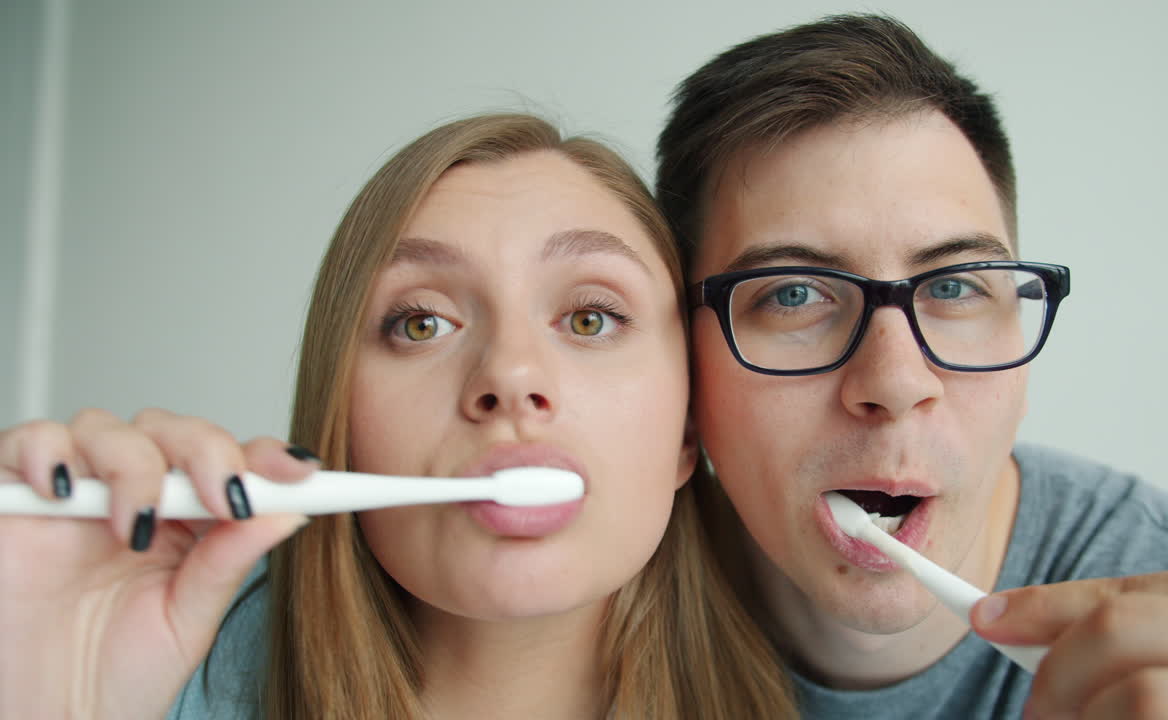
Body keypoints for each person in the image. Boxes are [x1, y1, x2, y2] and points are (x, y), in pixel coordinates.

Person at [0, 113, 797, 719]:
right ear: (340, 416)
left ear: (688, 430)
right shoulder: (156, 685)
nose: (509, 377)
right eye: (421, 323)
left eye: (589, 317)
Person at [657, 14, 1168, 719]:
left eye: (953, 287)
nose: (895, 383)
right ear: (679, 362)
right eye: (794, 295)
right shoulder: (592, 609)